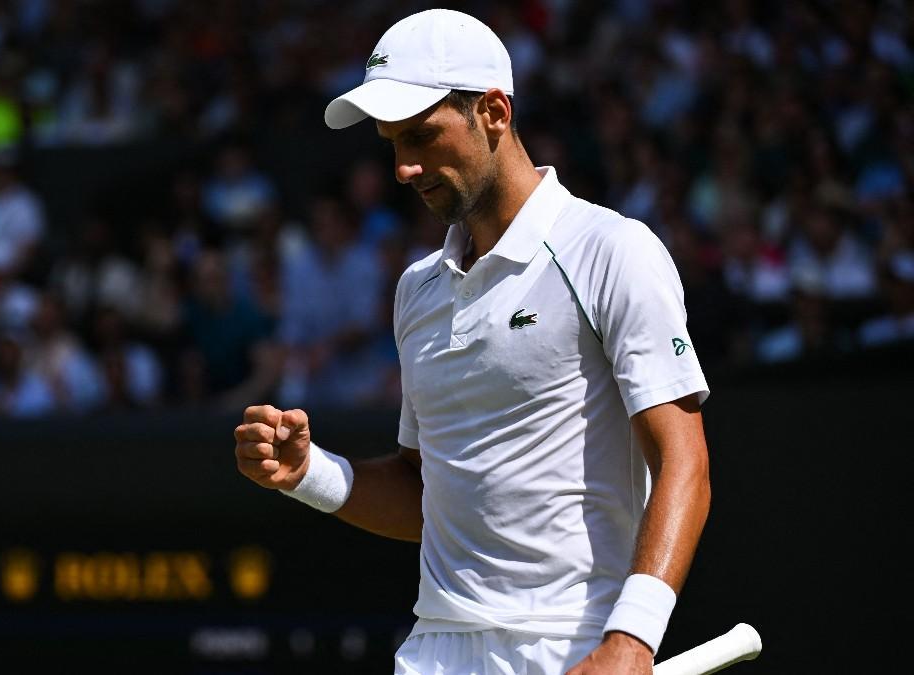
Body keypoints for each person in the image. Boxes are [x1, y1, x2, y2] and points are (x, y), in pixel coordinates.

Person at [232, 9, 711, 675]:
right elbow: (421, 490)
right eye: (391, 143)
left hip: (575, 643)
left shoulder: (612, 250)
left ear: (492, 111)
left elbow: (685, 462)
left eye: (421, 136)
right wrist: (308, 473)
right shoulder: (416, 290)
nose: (403, 166)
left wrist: (631, 639)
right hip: (435, 650)